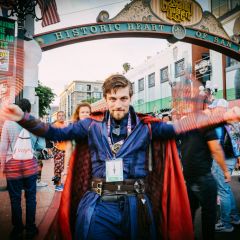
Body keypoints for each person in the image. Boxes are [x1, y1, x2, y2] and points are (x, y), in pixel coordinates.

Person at [0, 74, 240, 240]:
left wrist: (220, 115)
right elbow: (55, 132)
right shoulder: (90, 126)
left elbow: (181, 126)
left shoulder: (147, 127)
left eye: (123, 98)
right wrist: (23, 117)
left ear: (130, 98)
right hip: (98, 206)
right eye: (113, 98)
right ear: (106, 99)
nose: (118, 104)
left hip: (136, 206)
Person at [0, 98, 45, 240]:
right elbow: (41, 146)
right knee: (31, 197)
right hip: (30, 164)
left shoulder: (8, 123)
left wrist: (2, 166)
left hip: (12, 165)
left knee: (15, 197)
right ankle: (31, 228)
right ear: (29, 110)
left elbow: (3, 147)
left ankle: (17, 228)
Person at [209, 99, 240, 232]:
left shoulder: (220, 123)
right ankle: (234, 217)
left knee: (223, 191)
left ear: (220, 108)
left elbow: (216, 146)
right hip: (231, 158)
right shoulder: (232, 121)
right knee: (226, 189)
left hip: (222, 160)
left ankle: (225, 223)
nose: (211, 110)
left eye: (213, 108)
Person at [63, 103, 91, 180]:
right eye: (82, 112)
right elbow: (68, 150)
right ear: (78, 114)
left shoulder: (96, 127)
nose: (85, 114)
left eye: (87, 112)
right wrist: (65, 170)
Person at [51, 111, 67, 191]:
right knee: (57, 168)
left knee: (63, 168)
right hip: (58, 150)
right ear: (57, 117)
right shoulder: (55, 125)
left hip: (65, 150)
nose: (61, 117)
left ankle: (61, 184)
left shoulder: (65, 125)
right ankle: (57, 185)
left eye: (62, 115)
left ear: (64, 116)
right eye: (59, 115)